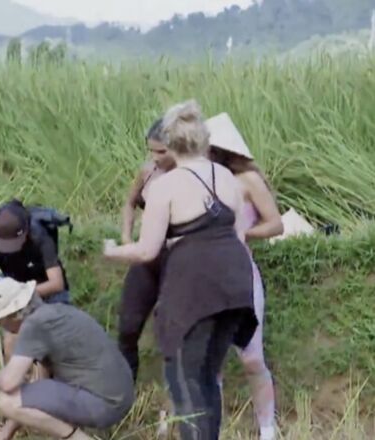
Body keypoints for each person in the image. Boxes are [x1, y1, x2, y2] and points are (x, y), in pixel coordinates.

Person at [103, 100, 258, 440]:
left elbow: (147, 250)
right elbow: (238, 236)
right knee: (207, 377)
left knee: (185, 381)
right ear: (203, 140)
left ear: (171, 145)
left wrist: (113, 251)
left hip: (195, 289)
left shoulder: (165, 186)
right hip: (235, 284)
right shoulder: (226, 177)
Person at [0, 277, 134, 440]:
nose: (0, 327)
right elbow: (39, 386)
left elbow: (8, 383)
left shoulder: (34, 326)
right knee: (25, 396)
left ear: (13, 314)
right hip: (118, 396)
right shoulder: (55, 312)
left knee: (6, 400)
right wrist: (7, 432)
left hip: (105, 403)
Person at [207, 112, 283, 440]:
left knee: (252, 358)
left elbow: (275, 224)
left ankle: (267, 429)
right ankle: (213, 428)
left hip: (240, 275)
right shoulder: (197, 181)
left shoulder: (248, 180)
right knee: (212, 361)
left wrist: (245, 234)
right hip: (205, 278)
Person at [0, 199, 72, 361]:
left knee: (53, 341)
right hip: (14, 300)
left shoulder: (40, 237)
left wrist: (23, 294)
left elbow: (57, 283)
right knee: (12, 344)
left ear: (25, 231)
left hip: (45, 291)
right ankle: (19, 373)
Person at [117, 117, 176, 380]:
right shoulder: (147, 171)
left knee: (171, 327)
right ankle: (125, 387)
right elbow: (130, 203)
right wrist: (126, 237)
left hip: (178, 259)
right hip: (146, 256)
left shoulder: (192, 176)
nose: (155, 157)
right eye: (151, 151)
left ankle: (177, 390)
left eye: (161, 152)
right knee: (128, 325)